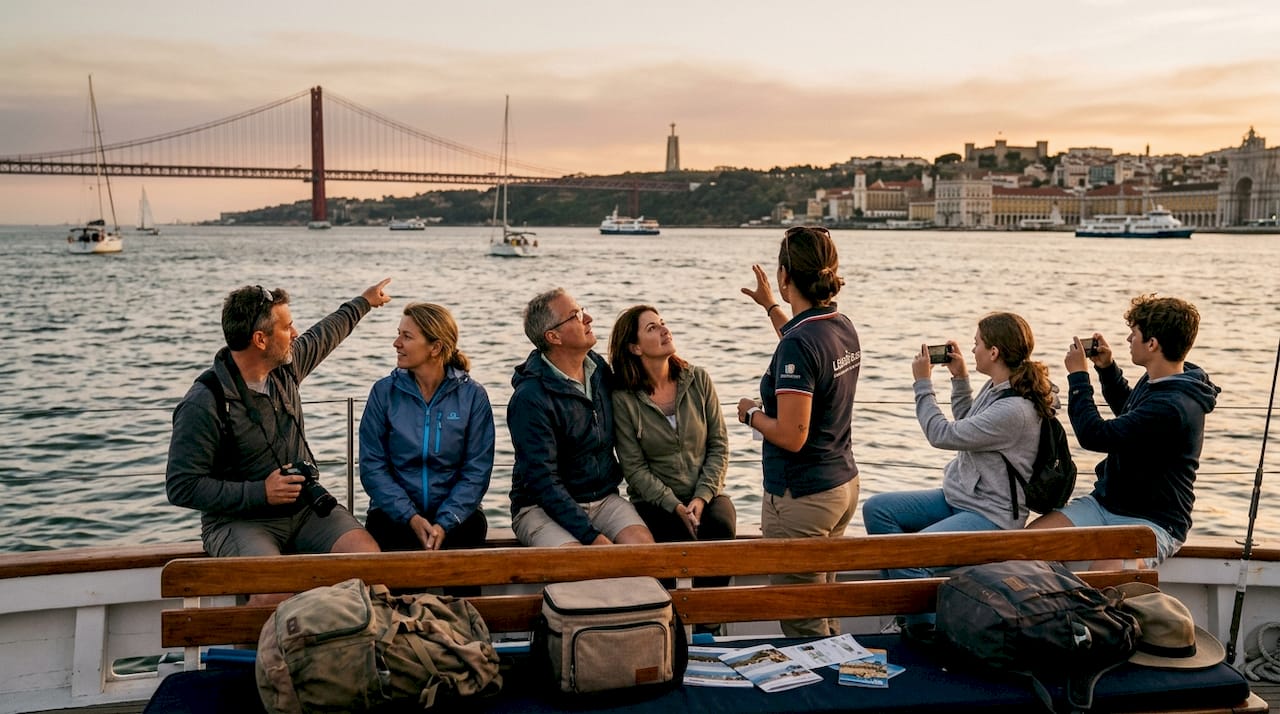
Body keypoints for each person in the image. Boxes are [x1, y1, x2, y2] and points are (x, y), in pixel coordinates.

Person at [166, 279, 392, 558]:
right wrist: (261, 492)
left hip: (305, 509)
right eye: (286, 327)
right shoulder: (204, 402)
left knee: (366, 555)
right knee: (271, 584)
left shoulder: (286, 369)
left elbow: (325, 333)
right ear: (260, 340)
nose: (295, 333)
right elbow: (181, 486)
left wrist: (365, 301)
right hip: (239, 521)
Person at [1028, 294, 1218, 568]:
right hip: (1105, 504)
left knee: (1107, 577)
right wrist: (1106, 369)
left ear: (1152, 344)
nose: (1129, 340)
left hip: (1152, 521)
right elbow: (1132, 414)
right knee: (1021, 547)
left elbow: (1095, 435)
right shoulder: (1163, 381)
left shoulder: (1174, 405)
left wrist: (1079, 378)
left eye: (1134, 333)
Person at [863, 313, 1054, 580]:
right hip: (960, 496)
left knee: (907, 552)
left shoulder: (1014, 409)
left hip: (990, 515)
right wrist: (960, 379)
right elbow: (970, 426)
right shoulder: (998, 386)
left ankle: (921, 621)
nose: (973, 350)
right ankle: (911, 600)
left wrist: (922, 384)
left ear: (994, 352)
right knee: (877, 509)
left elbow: (941, 435)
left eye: (977, 344)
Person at [736, 225, 860, 637]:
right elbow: (801, 339)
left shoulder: (798, 344)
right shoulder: (839, 324)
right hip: (841, 485)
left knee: (803, 622)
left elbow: (792, 435)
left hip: (801, 496)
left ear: (786, 275)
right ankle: (844, 685)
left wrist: (751, 414)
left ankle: (821, 695)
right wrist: (772, 305)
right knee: (824, 607)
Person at [507, 288, 655, 547]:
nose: (588, 318)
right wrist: (592, 537)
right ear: (553, 336)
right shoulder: (530, 398)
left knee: (643, 551)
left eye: (582, 310)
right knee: (580, 562)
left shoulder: (597, 369)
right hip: (539, 508)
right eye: (575, 315)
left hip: (603, 499)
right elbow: (542, 482)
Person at [608, 305, 736, 583]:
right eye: (652, 328)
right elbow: (634, 468)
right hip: (655, 502)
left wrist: (701, 497)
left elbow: (719, 446)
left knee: (720, 529)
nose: (665, 329)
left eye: (662, 323)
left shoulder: (698, 379)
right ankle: (675, 622)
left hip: (705, 494)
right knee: (671, 540)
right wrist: (675, 506)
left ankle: (709, 619)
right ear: (634, 348)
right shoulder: (623, 398)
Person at [359, 302, 494, 553]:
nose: (396, 343)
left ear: (436, 347)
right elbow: (372, 467)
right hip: (393, 513)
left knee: (466, 560)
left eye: (406, 336)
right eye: (398, 334)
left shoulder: (473, 396)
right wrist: (410, 516)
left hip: (457, 516)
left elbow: (477, 471)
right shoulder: (383, 392)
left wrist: (445, 521)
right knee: (401, 577)